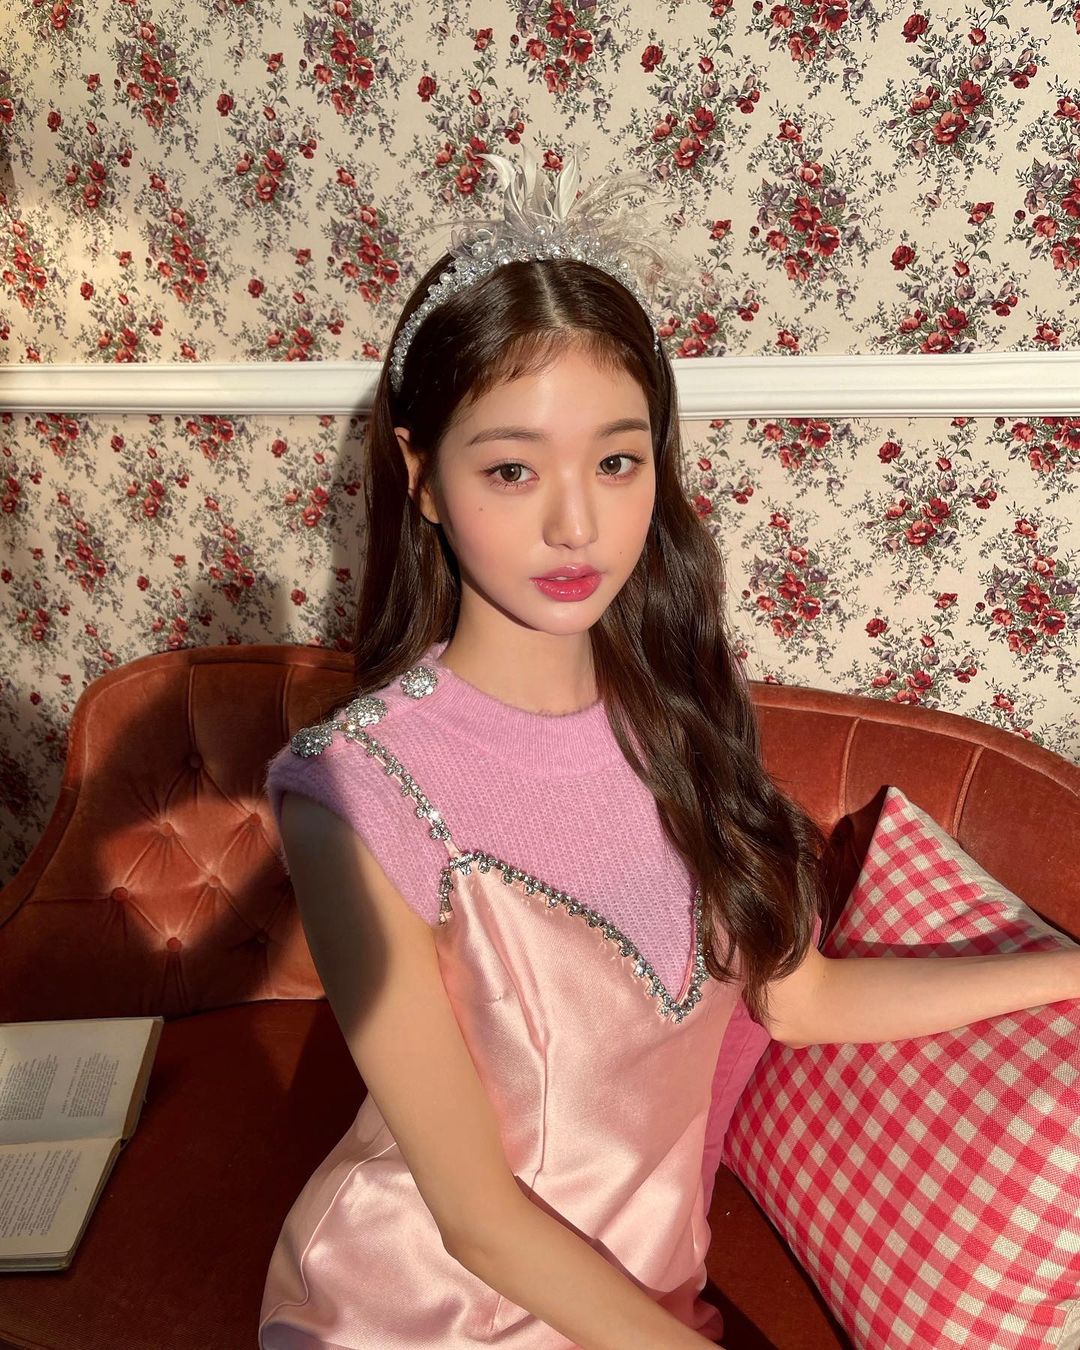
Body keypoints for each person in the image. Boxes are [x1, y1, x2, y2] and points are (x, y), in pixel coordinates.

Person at [256, 148, 1080, 1350]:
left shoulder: (679, 714)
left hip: (642, 1298)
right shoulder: (354, 787)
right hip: (429, 1314)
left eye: (617, 460)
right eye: (511, 468)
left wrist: (1066, 973)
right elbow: (479, 1222)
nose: (577, 523)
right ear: (420, 477)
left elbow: (803, 1002)